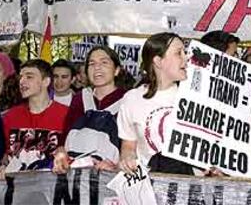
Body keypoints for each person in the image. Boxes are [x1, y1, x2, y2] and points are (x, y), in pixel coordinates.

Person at [117, 32, 195, 175]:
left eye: (185, 52)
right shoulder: (132, 99)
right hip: (148, 187)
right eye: (179, 53)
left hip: (191, 188)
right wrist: (127, 158)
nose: (187, 58)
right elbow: (128, 144)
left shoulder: (195, 98)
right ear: (158, 61)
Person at [53, 46, 127, 173]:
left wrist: (117, 167)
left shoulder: (128, 101)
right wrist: (60, 154)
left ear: (116, 70)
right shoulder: (80, 99)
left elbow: (133, 148)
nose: (97, 67)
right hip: (76, 174)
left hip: (110, 176)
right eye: (92, 64)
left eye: (104, 62)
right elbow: (64, 138)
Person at [0, 59, 68, 178]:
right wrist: (0, 168)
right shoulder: (10, 117)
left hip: (53, 189)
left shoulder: (67, 115)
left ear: (46, 81)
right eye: (21, 77)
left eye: (29, 77)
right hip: (16, 189)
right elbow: (3, 155)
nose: (22, 81)